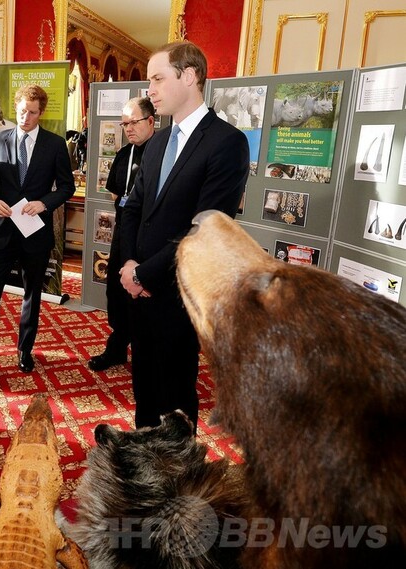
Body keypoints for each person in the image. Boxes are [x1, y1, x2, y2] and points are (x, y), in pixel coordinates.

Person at [119, 41, 249, 430]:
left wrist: (144, 275)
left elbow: (204, 228)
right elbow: (133, 209)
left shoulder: (227, 142)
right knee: (143, 388)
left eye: (158, 79)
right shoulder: (156, 142)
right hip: (138, 289)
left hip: (178, 293)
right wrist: (129, 266)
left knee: (174, 395)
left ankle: (176, 479)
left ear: (189, 76)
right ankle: (143, 468)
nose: (150, 90)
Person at [0, 84, 75, 386]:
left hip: (36, 232)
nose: (26, 117)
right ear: (16, 107)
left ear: (41, 112)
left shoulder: (54, 144)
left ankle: (25, 349)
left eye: (32, 113)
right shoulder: (0, 138)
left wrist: (45, 203)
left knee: (32, 294)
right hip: (3, 232)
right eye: (22, 111)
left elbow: (66, 187)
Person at [89, 97, 155, 372]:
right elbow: (115, 190)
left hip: (149, 234)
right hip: (123, 231)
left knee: (143, 293)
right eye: (124, 123)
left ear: (151, 121)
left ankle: (141, 352)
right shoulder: (123, 154)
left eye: (133, 122)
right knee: (116, 290)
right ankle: (117, 347)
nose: (128, 128)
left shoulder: (161, 153)